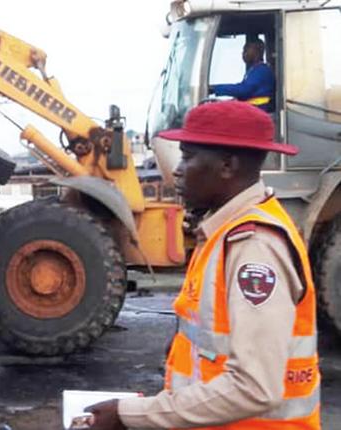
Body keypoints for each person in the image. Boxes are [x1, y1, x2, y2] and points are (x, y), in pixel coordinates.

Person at [85, 101, 320, 429]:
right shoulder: (224, 232)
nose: (178, 169)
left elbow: (254, 387)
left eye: (188, 156)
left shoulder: (253, 246)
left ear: (227, 166)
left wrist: (129, 415)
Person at [210, 39, 275, 112]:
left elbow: (244, 90)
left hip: (257, 111)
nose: (243, 53)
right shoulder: (254, 70)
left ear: (257, 51)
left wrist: (215, 89)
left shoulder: (261, 70)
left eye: (246, 49)